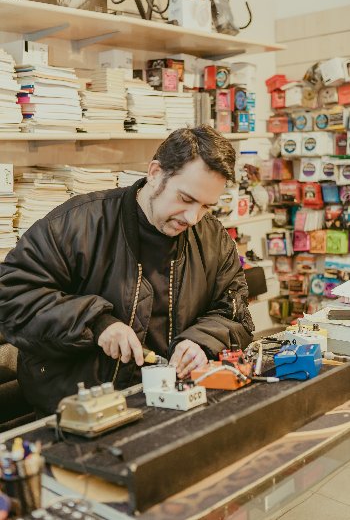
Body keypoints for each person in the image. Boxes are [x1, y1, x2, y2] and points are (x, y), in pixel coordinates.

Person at [0, 125, 254, 416]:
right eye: (185, 199)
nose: (193, 217)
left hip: (174, 401)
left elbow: (233, 314)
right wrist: (96, 324)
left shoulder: (213, 238)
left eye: (206, 206)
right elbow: (12, 296)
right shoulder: (78, 224)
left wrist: (202, 341)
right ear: (155, 172)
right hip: (79, 411)